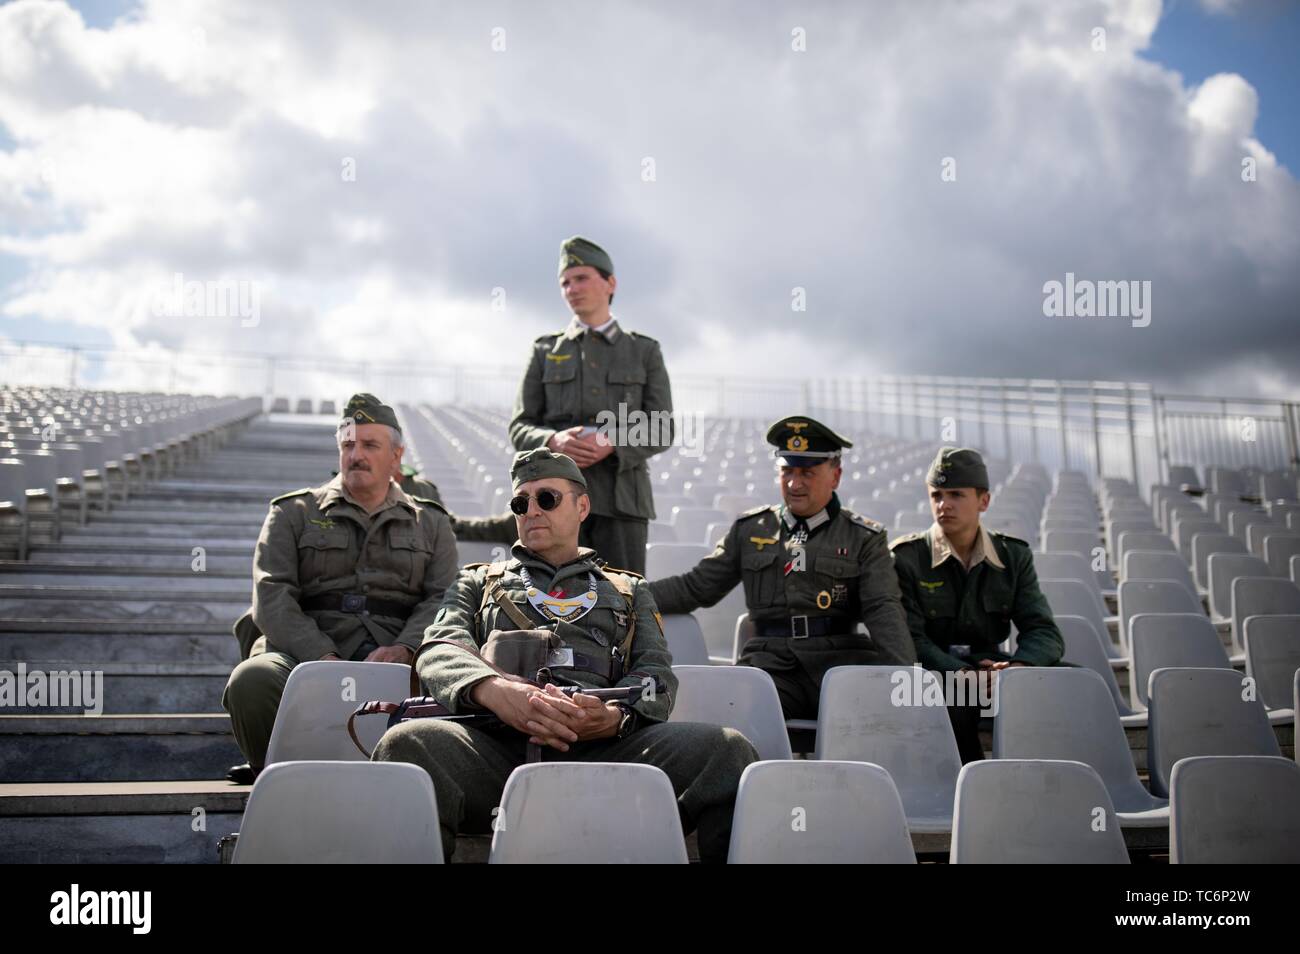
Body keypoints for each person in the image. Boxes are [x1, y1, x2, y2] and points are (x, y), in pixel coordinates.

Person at [373, 447, 757, 862]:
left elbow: (656, 677)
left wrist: (613, 718)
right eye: (521, 503)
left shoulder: (629, 590)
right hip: (497, 746)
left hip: (608, 749)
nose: (532, 511)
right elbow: (439, 648)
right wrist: (497, 693)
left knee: (727, 752)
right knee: (407, 744)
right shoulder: (477, 581)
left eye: (547, 499)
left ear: (582, 506)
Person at [221, 393, 459, 782]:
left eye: (369, 445)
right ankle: (277, 778)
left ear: (396, 456)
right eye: (348, 445)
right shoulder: (292, 512)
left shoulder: (431, 523)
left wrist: (406, 647)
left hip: (397, 651)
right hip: (304, 649)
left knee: (457, 688)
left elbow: (443, 597)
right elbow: (272, 594)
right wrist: (320, 656)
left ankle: (403, 787)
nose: (356, 455)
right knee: (253, 679)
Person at [649, 416, 915, 719]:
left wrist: (904, 678)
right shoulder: (751, 530)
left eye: (807, 472)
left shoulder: (863, 538)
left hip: (840, 665)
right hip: (770, 666)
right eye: (787, 470)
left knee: (877, 718)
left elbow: (883, 610)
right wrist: (628, 593)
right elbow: (696, 588)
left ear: (835, 476)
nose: (794, 483)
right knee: (733, 708)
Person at [508, 236, 672, 574]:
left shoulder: (644, 351)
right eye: (565, 283)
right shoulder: (544, 351)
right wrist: (554, 441)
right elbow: (520, 426)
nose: (572, 289)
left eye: (581, 278)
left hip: (621, 502)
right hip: (553, 502)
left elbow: (661, 427)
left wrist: (612, 441)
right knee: (551, 601)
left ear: (610, 283)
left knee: (622, 600)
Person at [890, 446, 1065, 763]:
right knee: (954, 697)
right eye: (937, 495)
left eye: (956, 494)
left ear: (983, 501)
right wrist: (961, 673)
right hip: (934, 674)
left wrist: (1018, 668)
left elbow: (1042, 630)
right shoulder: (907, 558)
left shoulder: (1012, 556)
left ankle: (1051, 781)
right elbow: (909, 638)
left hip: (993, 668)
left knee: (1073, 682)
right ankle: (968, 789)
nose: (944, 505)